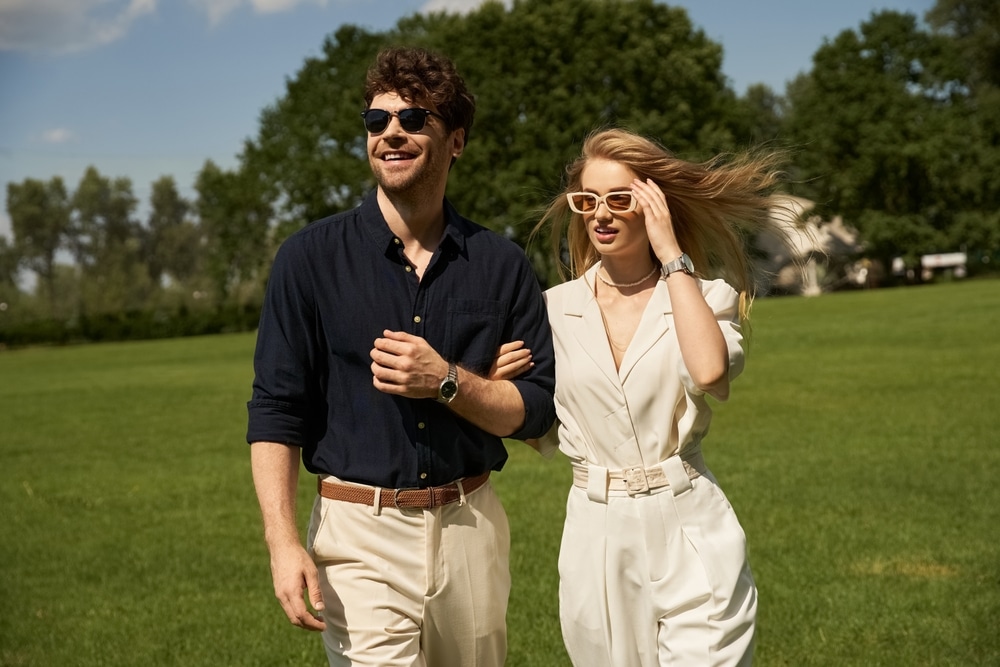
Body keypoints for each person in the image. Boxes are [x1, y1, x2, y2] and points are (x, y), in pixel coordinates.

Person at [246, 46, 556, 667]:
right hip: (358, 533)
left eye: (413, 120)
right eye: (376, 120)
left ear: (456, 141)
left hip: (472, 526)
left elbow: (536, 412)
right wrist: (282, 543)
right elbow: (276, 410)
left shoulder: (501, 266)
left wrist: (447, 381)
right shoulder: (309, 260)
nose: (391, 132)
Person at [495, 128, 789, 666]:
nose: (600, 214)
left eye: (621, 199)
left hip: (689, 522)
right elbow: (525, 415)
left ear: (653, 203)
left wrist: (672, 254)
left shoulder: (704, 297)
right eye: (587, 201)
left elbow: (708, 372)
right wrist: (494, 380)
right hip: (595, 531)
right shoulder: (552, 310)